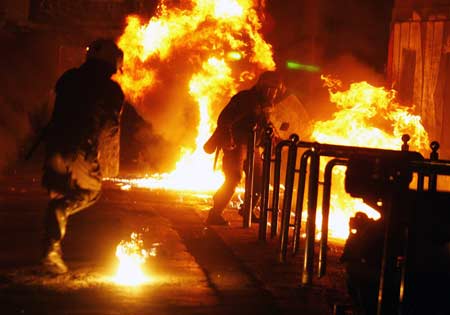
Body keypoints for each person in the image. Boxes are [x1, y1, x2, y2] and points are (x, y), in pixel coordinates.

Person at [40, 38, 125, 274]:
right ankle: (51, 250)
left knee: (59, 195)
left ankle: (51, 251)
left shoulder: (68, 78)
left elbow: (50, 111)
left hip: (54, 146)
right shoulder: (111, 90)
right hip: (79, 150)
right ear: (112, 63)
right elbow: (110, 128)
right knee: (89, 192)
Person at [204, 71, 285, 225]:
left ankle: (247, 210)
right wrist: (228, 138)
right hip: (236, 145)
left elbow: (264, 125)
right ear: (264, 87)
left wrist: (274, 138)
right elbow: (224, 119)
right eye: (272, 89)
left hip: (252, 146)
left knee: (259, 181)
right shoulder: (245, 98)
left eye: (276, 90)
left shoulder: (266, 105)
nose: (274, 93)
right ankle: (215, 213)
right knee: (233, 178)